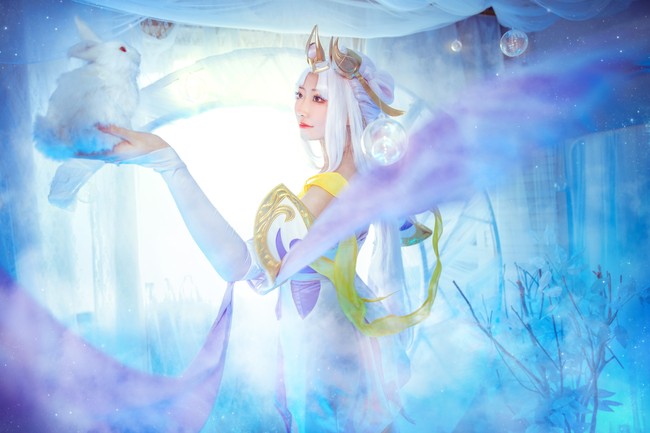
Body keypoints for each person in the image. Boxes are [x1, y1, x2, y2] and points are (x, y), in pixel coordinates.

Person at [90, 25, 441, 433]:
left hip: (326, 347)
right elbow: (403, 230)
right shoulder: (357, 178)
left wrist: (168, 163)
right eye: (299, 94)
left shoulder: (329, 189)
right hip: (334, 336)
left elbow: (239, 265)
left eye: (318, 98)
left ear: (349, 111)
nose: (302, 108)